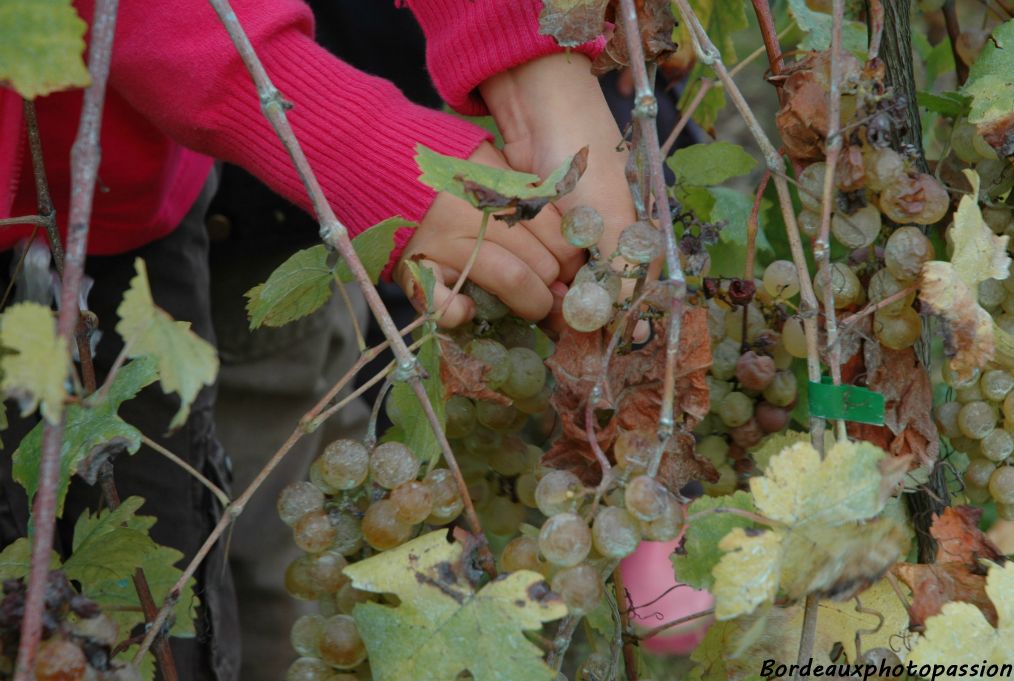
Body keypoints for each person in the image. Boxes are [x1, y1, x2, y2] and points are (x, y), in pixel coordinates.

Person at [0, 1, 636, 679]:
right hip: (176, 149)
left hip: (124, 205)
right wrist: (361, 145)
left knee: (161, 628)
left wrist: (527, 60)